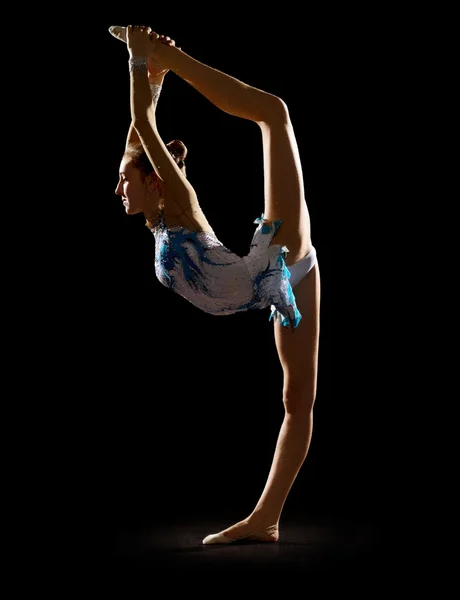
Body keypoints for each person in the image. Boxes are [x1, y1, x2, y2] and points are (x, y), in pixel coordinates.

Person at [109, 25, 321, 544]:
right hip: (264, 293)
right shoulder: (158, 216)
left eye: (125, 180)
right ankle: (266, 520)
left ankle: (171, 57)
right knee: (296, 402)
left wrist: (144, 57)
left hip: (282, 256)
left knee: (274, 114)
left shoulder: (178, 198)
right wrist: (153, 79)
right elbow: (140, 129)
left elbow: (141, 125)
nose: (117, 189)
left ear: (154, 182)